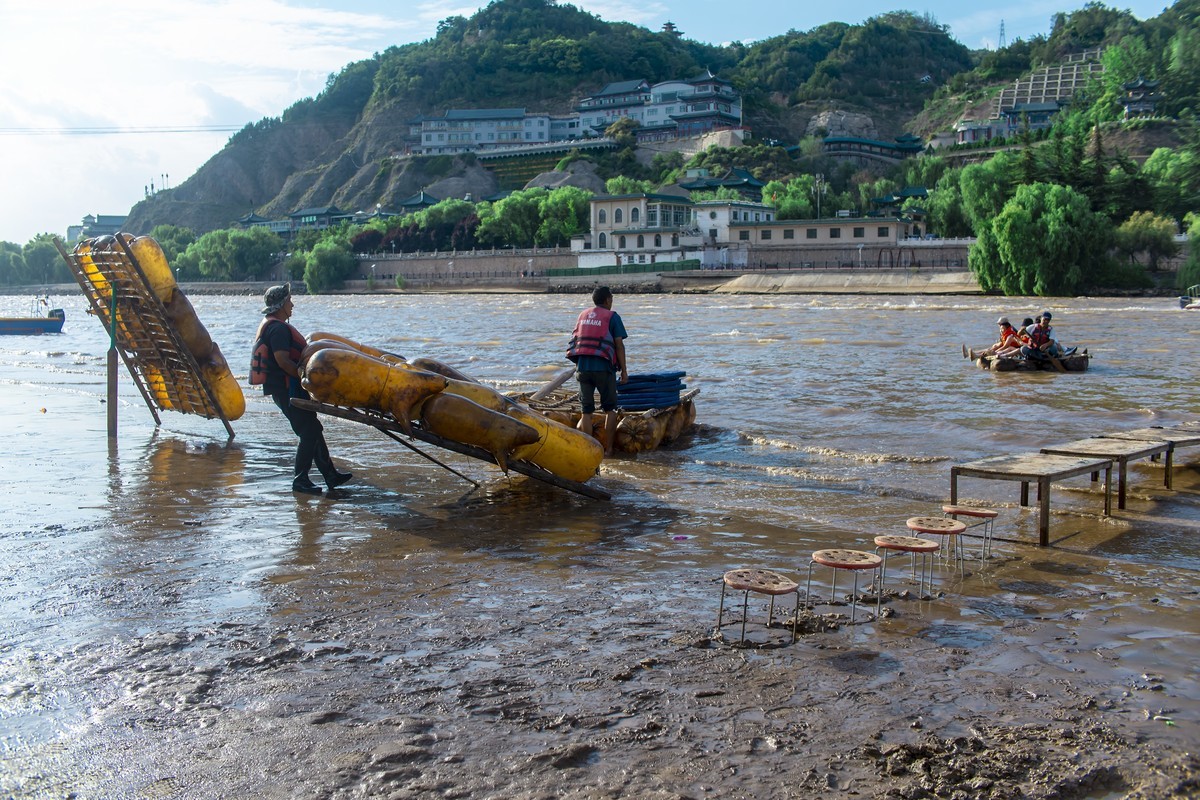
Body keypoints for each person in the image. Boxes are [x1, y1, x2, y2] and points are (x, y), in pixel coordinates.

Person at [251, 284, 353, 495]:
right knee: (308, 431)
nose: (292, 304)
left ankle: (330, 475)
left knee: (312, 428)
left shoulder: (273, 325)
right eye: (289, 301)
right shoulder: (278, 329)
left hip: (288, 388)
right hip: (288, 389)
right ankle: (301, 480)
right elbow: (282, 361)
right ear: (280, 306)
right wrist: (306, 378)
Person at [567, 286, 628, 456]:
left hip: (582, 368)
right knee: (610, 409)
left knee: (586, 411)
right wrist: (624, 371)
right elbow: (619, 345)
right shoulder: (612, 317)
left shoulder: (582, 315)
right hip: (603, 368)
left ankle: (589, 450)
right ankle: (608, 449)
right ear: (608, 300)